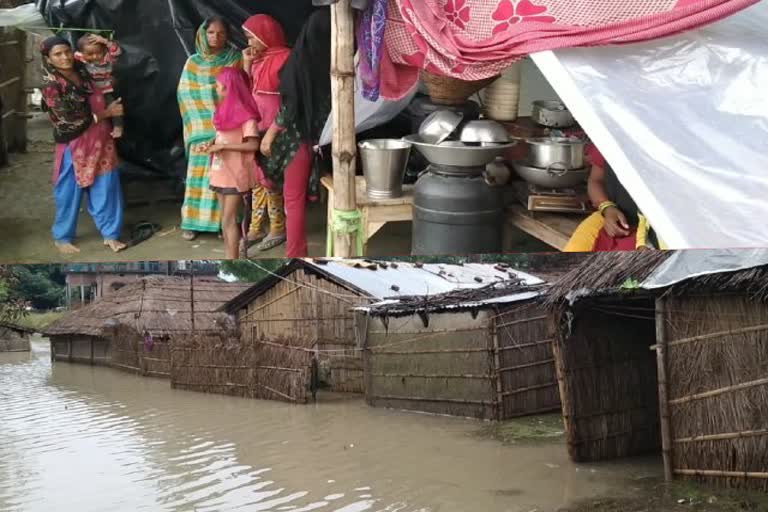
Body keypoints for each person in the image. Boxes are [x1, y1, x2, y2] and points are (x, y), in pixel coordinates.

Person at [40, 35, 127, 255]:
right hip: (74, 145)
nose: (64, 57)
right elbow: (68, 122)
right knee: (68, 192)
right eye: (57, 54)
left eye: (67, 51)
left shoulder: (84, 69)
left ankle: (111, 235)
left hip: (101, 140)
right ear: (48, 59)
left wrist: (104, 42)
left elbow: (111, 58)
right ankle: (62, 237)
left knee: (107, 187)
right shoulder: (52, 86)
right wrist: (107, 113)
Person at [259, 10, 333, 258]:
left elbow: (289, 107)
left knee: (293, 199)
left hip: (295, 140)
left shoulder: (300, 64)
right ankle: (296, 252)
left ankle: (295, 254)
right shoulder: (335, 63)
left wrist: (270, 134)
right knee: (296, 198)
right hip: (321, 140)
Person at [177, 17, 242, 242]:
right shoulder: (192, 62)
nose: (216, 37)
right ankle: (192, 223)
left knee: (225, 178)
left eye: (221, 33)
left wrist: (223, 119)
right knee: (198, 177)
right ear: (203, 34)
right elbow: (186, 94)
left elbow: (238, 90)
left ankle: (223, 226)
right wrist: (211, 98)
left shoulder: (235, 58)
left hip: (228, 130)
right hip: (201, 130)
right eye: (211, 32)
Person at [241, 14, 291, 252]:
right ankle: (256, 227)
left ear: (265, 36)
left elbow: (290, 100)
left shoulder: (285, 59)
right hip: (258, 127)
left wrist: (274, 130)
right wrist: (247, 66)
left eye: (252, 37)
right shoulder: (259, 60)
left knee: (271, 181)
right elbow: (248, 91)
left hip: (277, 130)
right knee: (259, 179)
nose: (249, 43)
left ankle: (278, 228)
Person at [204, 67, 261, 260]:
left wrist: (224, 148)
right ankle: (230, 255)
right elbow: (222, 135)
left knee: (229, 219)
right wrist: (213, 142)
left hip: (236, 173)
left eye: (220, 85)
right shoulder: (221, 110)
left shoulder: (247, 116)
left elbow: (253, 145)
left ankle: (232, 258)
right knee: (225, 219)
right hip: (220, 170)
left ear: (230, 88)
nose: (217, 88)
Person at [564, 145, 666, 252]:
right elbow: (596, 180)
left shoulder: (670, 145)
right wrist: (606, 207)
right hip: (610, 219)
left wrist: (643, 241)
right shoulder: (607, 139)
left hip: (655, 232)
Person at [75, 33, 124, 139]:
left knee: (114, 105)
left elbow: (117, 50)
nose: (95, 56)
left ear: (104, 51)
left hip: (104, 90)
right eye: (90, 54)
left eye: (99, 53)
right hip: (88, 92)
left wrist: (104, 41)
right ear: (82, 53)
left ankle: (118, 127)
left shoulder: (107, 59)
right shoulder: (80, 59)